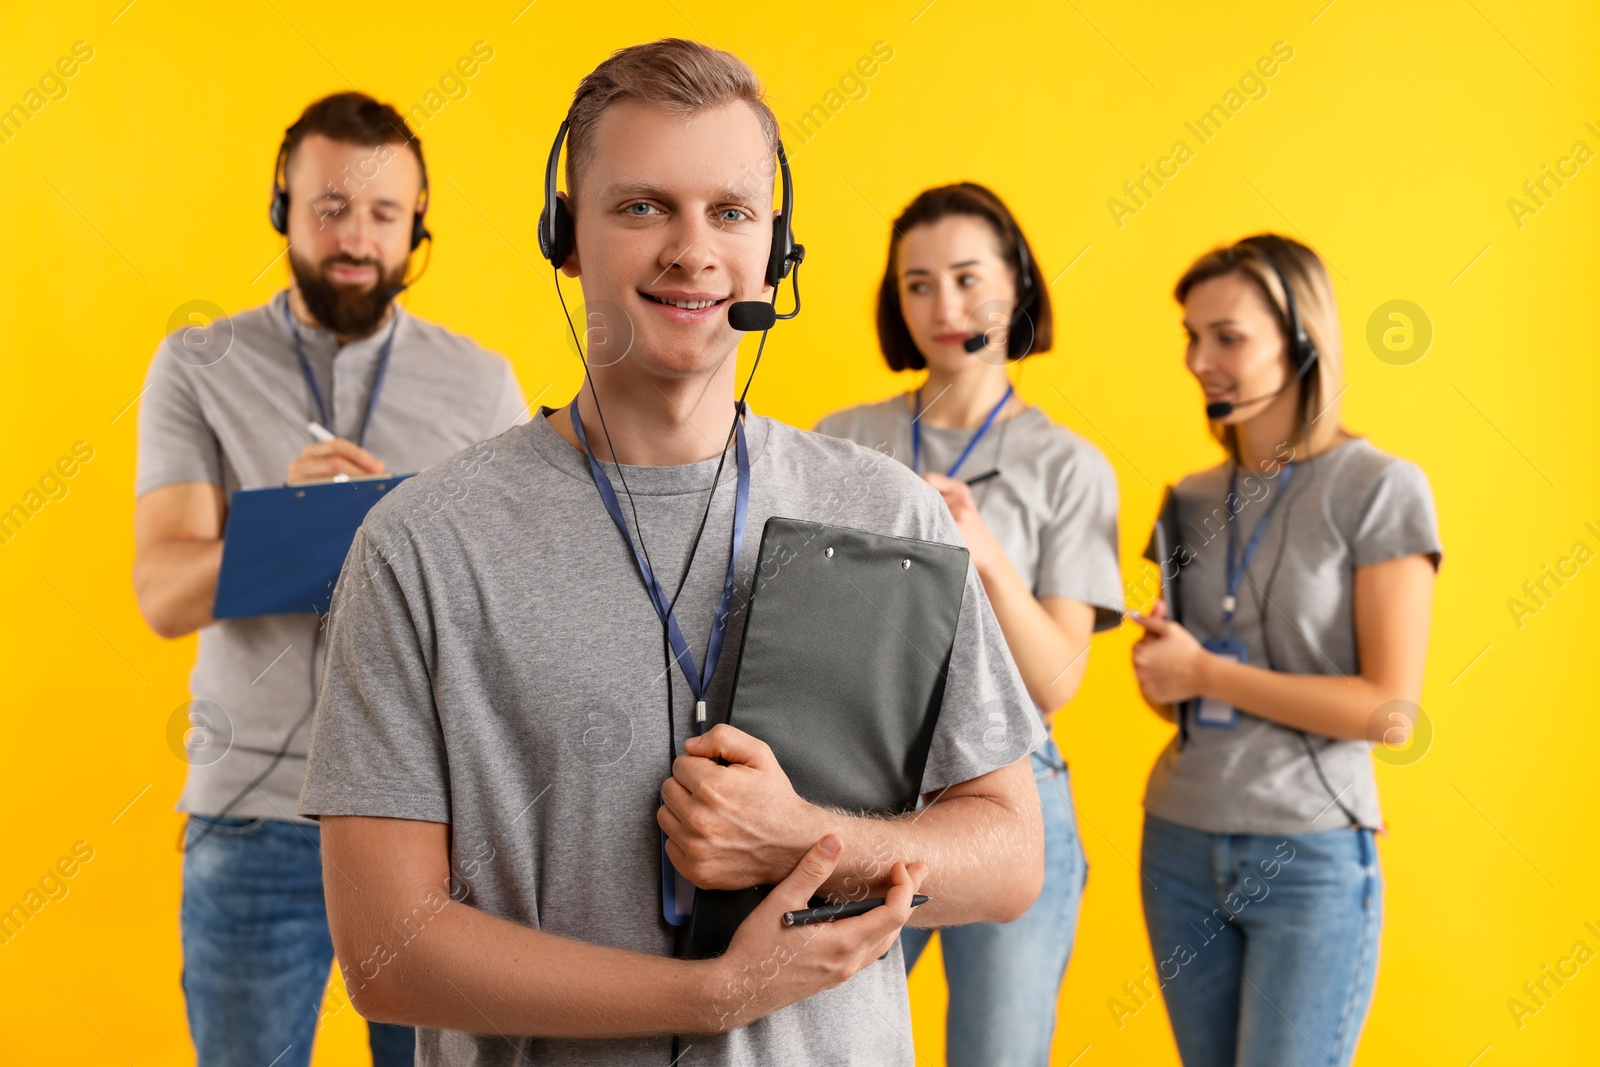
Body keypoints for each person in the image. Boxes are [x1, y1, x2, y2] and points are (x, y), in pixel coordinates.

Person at [297, 38, 1048, 1067]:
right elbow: (387, 953)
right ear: (565, 238)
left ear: (775, 250)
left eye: (730, 212)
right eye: (642, 206)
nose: (692, 250)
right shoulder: (422, 541)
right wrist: (708, 995)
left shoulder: (888, 511)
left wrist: (802, 840)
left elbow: (1008, 856)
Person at [132, 91, 527, 1067]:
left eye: (384, 214)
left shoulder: (483, 384)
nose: (357, 237)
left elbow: (512, 612)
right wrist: (293, 525)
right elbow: (164, 593)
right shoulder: (196, 363)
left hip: (430, 828)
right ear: (282, 209)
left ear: (418, 227)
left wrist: (374, 531)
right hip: (251, 819)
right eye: (330, 208)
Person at [814, 182, 1122, 1065]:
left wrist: (980, 549)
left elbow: (1058, 679)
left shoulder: (1068, 465)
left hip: (1012, 792)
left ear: (1018, 283)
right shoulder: (841, 439)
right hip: (862, 789)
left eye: (966, 277)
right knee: (827, 1038)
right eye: (917, 284)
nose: (943, 307)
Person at [1128, 233, 1441, 1067]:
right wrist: (1164, 669)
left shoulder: (1379, 488)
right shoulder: (1189, 499)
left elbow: (1388, 709)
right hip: (1180, 841)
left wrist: (1207, 669)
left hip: (1309, 855)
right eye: (1192, 337)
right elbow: (1177, 698)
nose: (1199, 359)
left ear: (1303, 341)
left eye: (1228, 337)